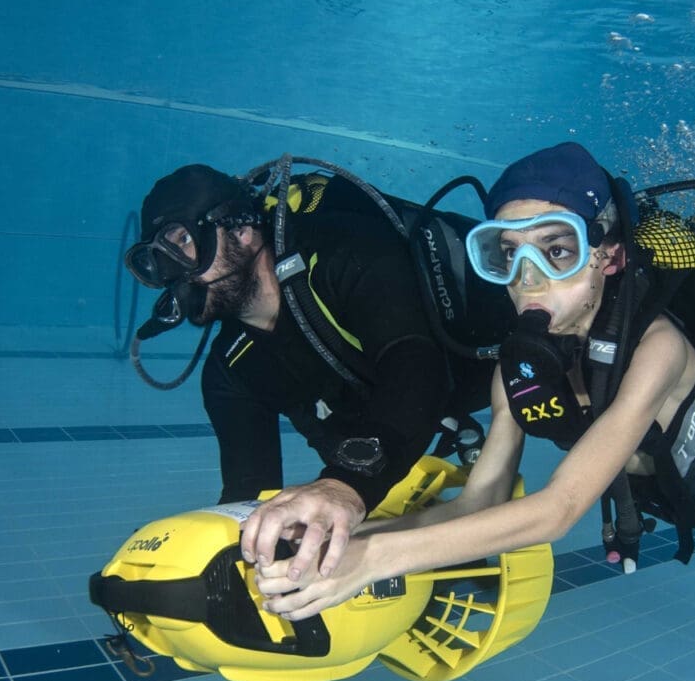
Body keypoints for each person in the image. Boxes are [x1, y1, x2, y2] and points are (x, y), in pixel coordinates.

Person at [247, 143, 695, 619]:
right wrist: (350, 545)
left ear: (607, 258)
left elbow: (558, 511)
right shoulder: (515, 372)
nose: (529, 277)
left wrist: (373, 564)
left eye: (557, 251)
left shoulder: (660, 348)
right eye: (507, 253)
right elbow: (483, 502)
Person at [126, 164, 488, 580]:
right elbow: (246, 496)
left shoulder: (342, 250)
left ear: (242, 231)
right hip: (392, 429)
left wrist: (343, 487)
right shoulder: (232, 371)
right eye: (156, 259)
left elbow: (417, 368)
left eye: (183, 243)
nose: (173, 274)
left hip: (484, 362)